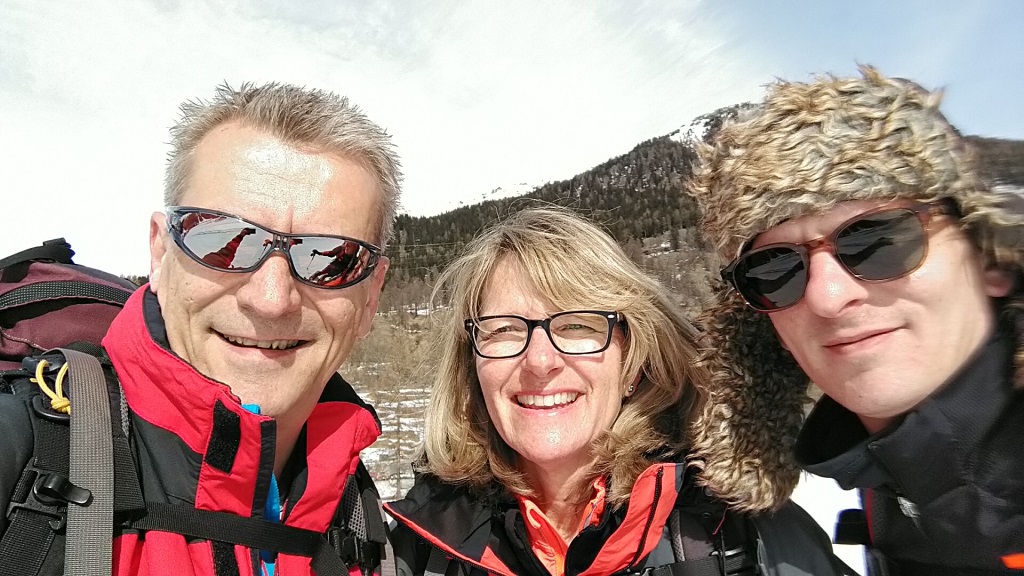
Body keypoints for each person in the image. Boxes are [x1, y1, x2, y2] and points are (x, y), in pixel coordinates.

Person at [0, 82, 402, 575]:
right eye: (224, 240)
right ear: (160, 253)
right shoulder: (16, 450)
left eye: (331, 259)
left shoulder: (365, 519)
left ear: (372, 295)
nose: (272, 300)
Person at [688, 64, 1024, 575]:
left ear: (988, 258)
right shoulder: (890, 485)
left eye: (878, 240)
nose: (827, 297)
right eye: (776, 270)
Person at [385, 207, 844, 576]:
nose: (540, 361)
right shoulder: (418, 548)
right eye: (504, 330)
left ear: (633, 362)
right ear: (472, 366)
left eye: (578, 326)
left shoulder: (740, 535)